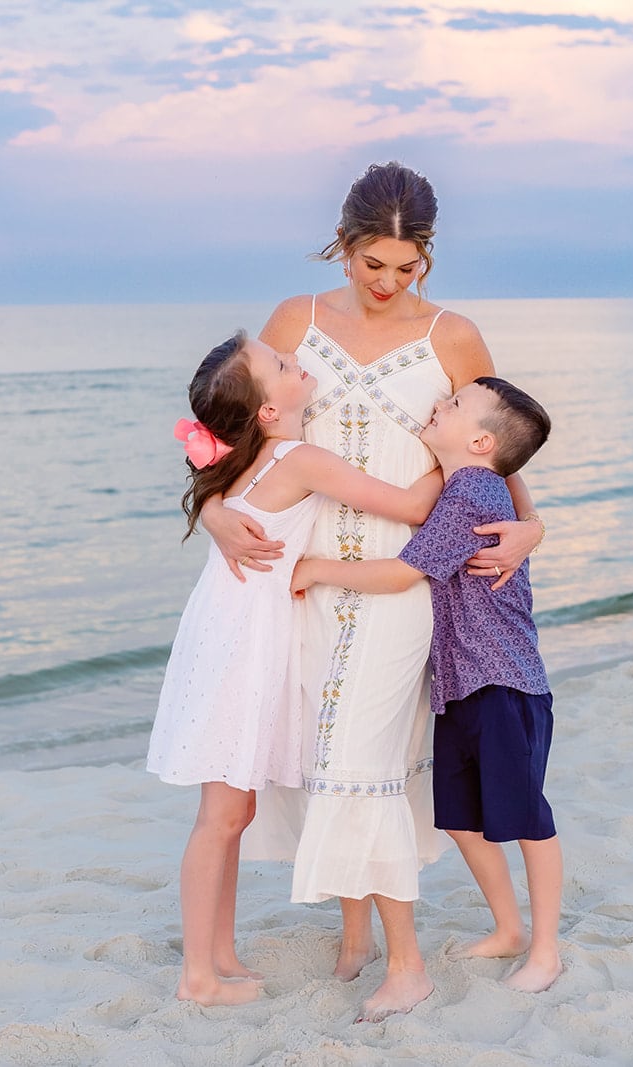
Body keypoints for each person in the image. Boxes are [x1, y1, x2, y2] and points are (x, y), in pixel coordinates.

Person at [202, 162, 545, 1021]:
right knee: (330, 758)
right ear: (345, 246)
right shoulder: (295, 321)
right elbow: (236, 437)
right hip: (301, 578)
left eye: (409, 264)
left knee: (365, 762)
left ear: (426, 254)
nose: (391, 282)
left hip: (402, 582)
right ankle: (356, 935)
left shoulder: (454, 337)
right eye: (374, 263)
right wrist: (211, 511)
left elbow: (498, 451)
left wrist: (533, 526)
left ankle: (407, 964)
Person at [145, 330, 442, 1007]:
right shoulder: (299, 456)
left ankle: (219, 954)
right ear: (267, 413)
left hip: (232, 632)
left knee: (234, 810)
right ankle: (197, 975)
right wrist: (455, 462)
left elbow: (211, 489)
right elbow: (410, 507)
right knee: (220, 813)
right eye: (280, 365)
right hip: (241, 643)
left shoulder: (244, 462)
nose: (295, 361)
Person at [290, 376, 563, 994]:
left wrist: (315, 569)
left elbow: (401, 573)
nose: (439, 405)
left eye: (454, 404)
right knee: (463, 819)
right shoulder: (466, 485)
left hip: (503, 682)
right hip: (460, 686)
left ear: (481, 439)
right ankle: (509, 930)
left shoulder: (471, 489)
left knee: (527, 820)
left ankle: (545, 949)